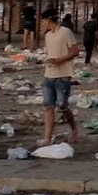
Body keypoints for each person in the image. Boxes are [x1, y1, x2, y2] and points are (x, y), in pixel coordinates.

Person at [40, 11, 78, 145]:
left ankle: (74, 129)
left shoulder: (65, 32)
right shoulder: (47, 36)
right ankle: (47, 138)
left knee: (62, 105)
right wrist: (50, 60)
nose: (42, 24)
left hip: (63, 75)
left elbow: (75, 51)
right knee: (48, 106)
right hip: (49, 74)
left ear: (49, 20)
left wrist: (60, 60)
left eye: (43, 21)